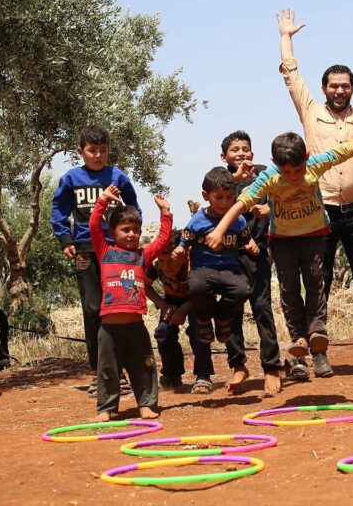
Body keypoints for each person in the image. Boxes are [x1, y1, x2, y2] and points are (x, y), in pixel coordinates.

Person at [207, 133, 353, 381]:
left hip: (313, 235)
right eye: (286, 172)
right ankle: (298, 336)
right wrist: (220, 230)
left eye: (298, 170)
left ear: (307, 158)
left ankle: (317, 329)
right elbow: (241, 203)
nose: (293, 177)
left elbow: (349, 149)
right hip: (283, 240)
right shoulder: (269, 176)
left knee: (315, 282)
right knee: (289, 288)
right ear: (275, 163)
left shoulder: (315, 164)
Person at [276, 7, 353, 374]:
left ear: (351, 88)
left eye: (346, 85)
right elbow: (290, 75)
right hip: (321, 211)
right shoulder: (310, 111)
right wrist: (286, 36)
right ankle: (318, 353)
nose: (341, 90)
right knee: (319, 284)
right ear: (324, 89)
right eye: (334, 86)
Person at [52, 125, 141, 394]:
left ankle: (124, 372)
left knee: (118, 308)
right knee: (92, 310)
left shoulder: (118, 177)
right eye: (93, 150)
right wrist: (65, 240)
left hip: (115, 252)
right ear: (81, 152)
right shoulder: (71, 178)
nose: (98, 155)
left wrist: (131, 239)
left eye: (103, 150)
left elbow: (133, 209)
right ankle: (100, 372)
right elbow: (58, 210)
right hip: (86, 251)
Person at [90, 185, 171, 420]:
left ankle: (146, 404)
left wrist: (165, 213)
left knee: (144, 367)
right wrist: (102, 200)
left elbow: (163, 240)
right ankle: (107, 408)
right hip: (109, 330)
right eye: (125, 230)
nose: (131, 234)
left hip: (136, 328)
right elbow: (94, 226)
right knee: (107, 370)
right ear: (113, 232)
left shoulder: (142, 256)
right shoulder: (105, 252)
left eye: (136, 230)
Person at [220, 130, 283, 396]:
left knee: (262, 308)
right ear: (224, 156)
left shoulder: (265, 173)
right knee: (232, 309)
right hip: (228, 255)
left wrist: (270, 208)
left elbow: (284, 194)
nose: (241, 154)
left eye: (245, 149)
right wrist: (235, 181)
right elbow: (215, 207)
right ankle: (238, 366)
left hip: (259, 253)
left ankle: (271, 367)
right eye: (235, 150)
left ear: (252, 153)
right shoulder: (221, 179)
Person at [171, 167, 258, 345]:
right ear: (205, 195)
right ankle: (203, 319)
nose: (225, 203)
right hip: (203, 269)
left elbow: (246, 237)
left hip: (229, 270)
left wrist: (250, 244)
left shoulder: (238, 219)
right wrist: (180, 249)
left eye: (229, 197)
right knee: (196, 287)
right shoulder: (197, 220)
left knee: (243, 291)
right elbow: (185, 241)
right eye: (218, 197)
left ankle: (222, 317)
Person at [143, 231, 215, 395]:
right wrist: (163, 305)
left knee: (199, 328)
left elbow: (208, 291)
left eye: (172, 260)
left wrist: (183, 310)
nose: (166, 266)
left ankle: (203, 374)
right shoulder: (155, 264)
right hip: (171, 299)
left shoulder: (195, 263)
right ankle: (172, 373)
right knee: (163, 332)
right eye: (162, 260)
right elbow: (144, 285)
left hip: (199, 298)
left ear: (183, 256)